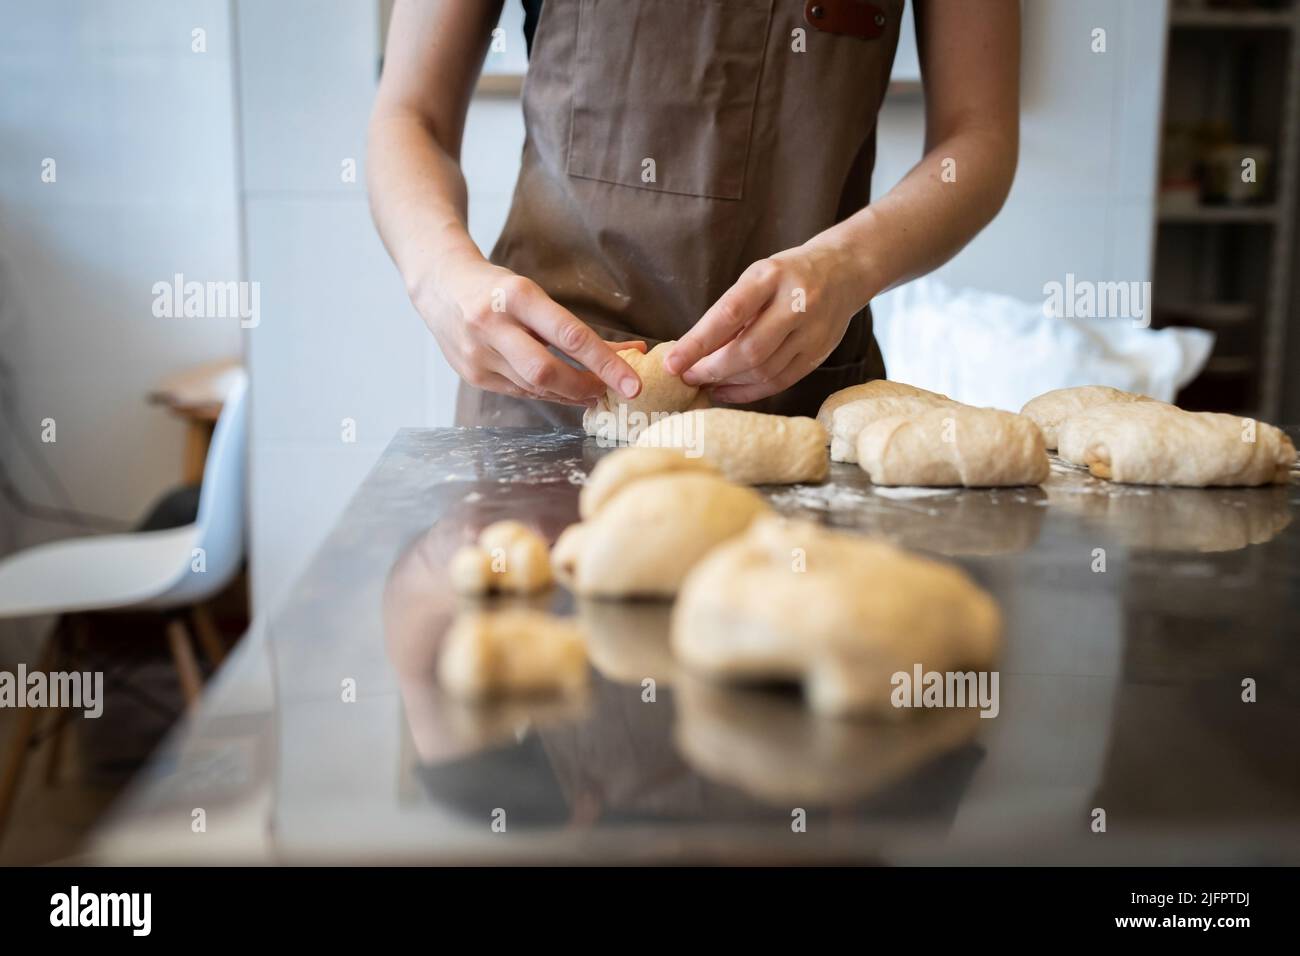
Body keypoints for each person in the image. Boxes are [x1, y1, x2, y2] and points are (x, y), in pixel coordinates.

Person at [368, 0, 1019, 426]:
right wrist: (442, 274)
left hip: (799, 408)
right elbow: (410, 114)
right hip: (545, 398)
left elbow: (979, 136)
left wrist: (848, 265)